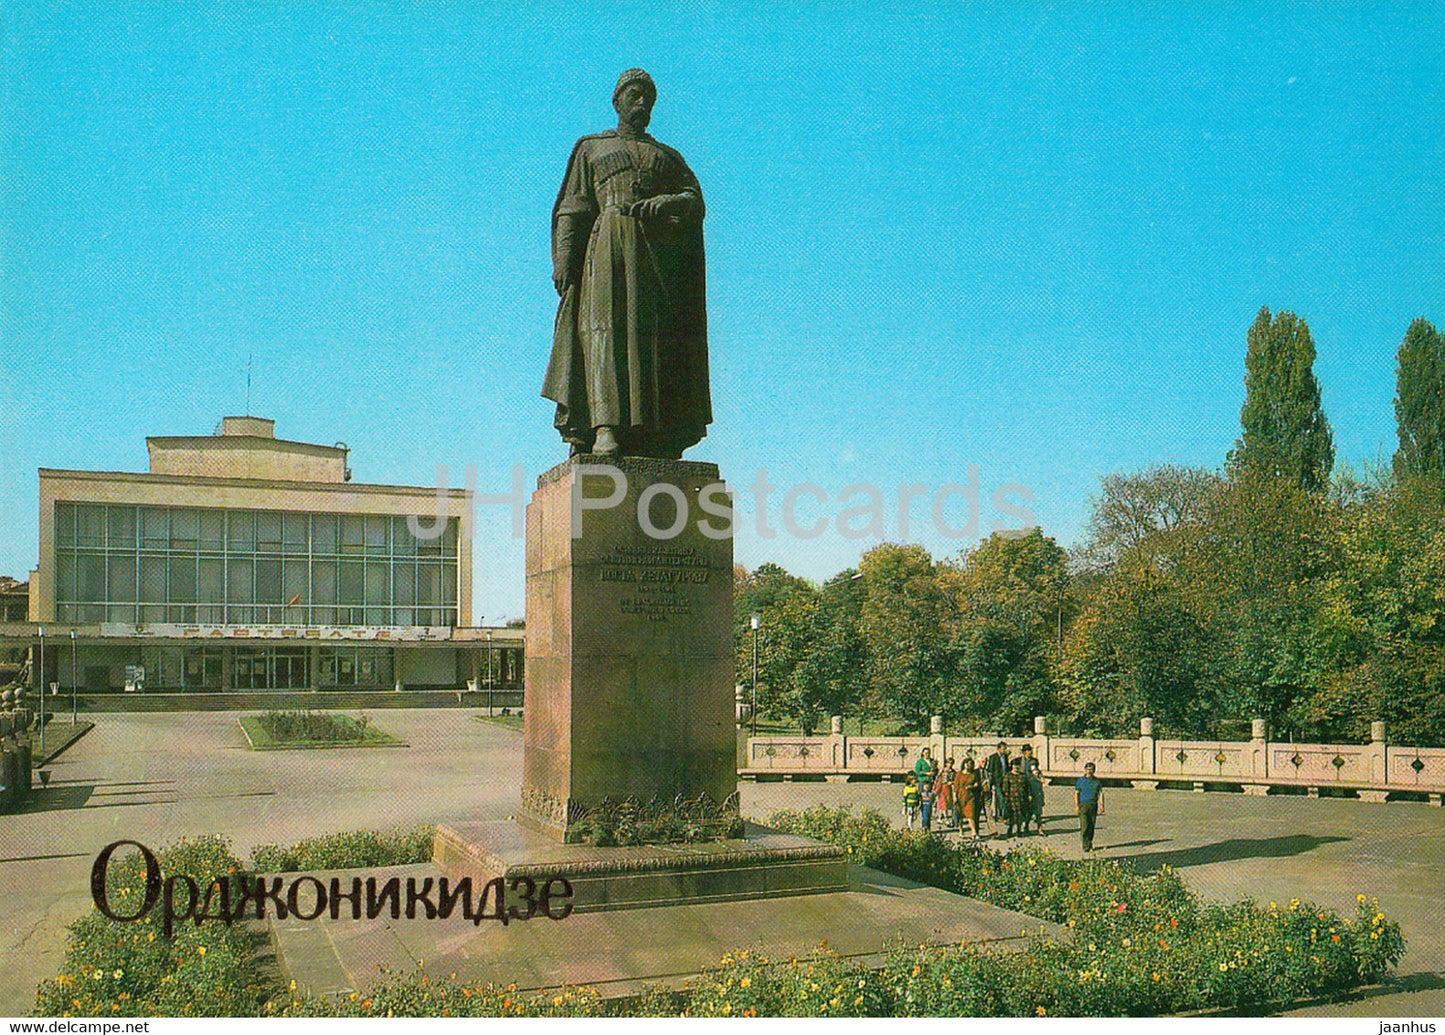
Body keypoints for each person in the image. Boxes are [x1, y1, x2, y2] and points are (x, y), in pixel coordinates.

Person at [543, 68, 711, 458]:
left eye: (648, 98)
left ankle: (656, 433)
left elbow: (695, 201)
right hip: (606, 251)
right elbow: (573, 207)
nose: (642, 103)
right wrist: (565, 260)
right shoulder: (592, 148)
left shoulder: (667, 157)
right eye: (635, 95)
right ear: (617, 101)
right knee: (605, 337)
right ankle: (605, 428)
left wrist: (670, 202)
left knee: (652, 344)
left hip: (655, 260)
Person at [983, 741, 1012, 838]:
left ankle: (1001, 814)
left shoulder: (1005, 757)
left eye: (1005, 748)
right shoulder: (993, 757)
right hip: (997, 781)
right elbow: (990, 770)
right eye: (1003, 748)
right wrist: (992, 783)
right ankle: (1001, 816)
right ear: (999, 749)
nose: (1004, 750)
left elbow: (1006, 767)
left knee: (1004, 798)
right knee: (1000, 798)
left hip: (1005, 780)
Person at [1075, 762, 1104, 852]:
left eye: (1091, 769)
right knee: (1085, 826)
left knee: (1091, 825)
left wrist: (1101, 805)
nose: (1089, 771)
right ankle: (1085, 845)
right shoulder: (1080, 781)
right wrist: (1076, 805)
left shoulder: (1097, 781)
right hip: (1083, 805)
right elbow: (1076, 793)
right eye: (1088, 769)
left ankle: (1089, 842)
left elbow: (1100, 793)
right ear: (1085, 770)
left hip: (1093, 805)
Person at [956, 756, 985, 839]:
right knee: (961, 815)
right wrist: (955, 796)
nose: (968, 766)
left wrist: (973, 786)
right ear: (964, 764)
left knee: (970, 814)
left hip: (970, 796)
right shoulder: (959, 774)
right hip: (961, 795)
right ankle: (961, 830)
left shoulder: (973, 774)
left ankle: (973, 832)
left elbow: (977, 784)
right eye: (967, 764)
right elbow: (956, 785)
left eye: (970, 764)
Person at [1003, 758, 1030, 839]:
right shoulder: (1008, 776)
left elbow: (1027, 787)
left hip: (1021, 799)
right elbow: (1005, 788)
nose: (1016, 767)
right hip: (1012, 799)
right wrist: (1006, 798)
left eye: (1017, 765)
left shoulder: (1023, 776)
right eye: (1014, 765)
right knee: (1012, 815)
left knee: (1020, 815)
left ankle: (1019, 830)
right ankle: (1010, 830)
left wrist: (1028, 796)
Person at [1025, 754, 1046, 835]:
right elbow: (1029, 790)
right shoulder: (1030, 780)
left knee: (1038, 816)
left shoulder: (1039, 780)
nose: (1036, 773)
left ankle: (1039, 829)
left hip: (1038, 799)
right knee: (1028, 815)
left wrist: (1042, 800)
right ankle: (1026, 828)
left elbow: (1041, 791)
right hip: (1031, 799)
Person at [932, 760, 955, 832]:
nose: (950, 764)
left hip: (949, 788)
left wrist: (952, 783)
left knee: (947, 803)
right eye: (949, 763)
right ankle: (946, 818)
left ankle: (940, 817)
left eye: (951, 763)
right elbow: (938, 779)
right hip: (943, 787)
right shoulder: (943, 771)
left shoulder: (953, 771)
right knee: (943, 803)